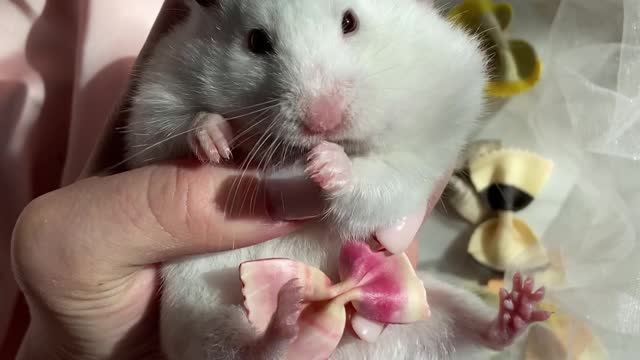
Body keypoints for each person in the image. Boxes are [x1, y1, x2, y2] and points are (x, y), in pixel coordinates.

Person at [2, 1, 422, 358]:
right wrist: (194, 126)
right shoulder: (181, 56)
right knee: (200, 303)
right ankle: (257, 346)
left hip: (337, 271)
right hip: (213, 273)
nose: (321, 116)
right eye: (259, 44)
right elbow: (148, 136)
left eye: (347, 25)